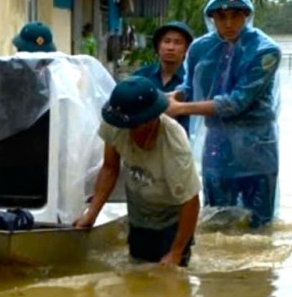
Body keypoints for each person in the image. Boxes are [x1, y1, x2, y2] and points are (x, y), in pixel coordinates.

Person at [166, 0, 281, 228]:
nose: (229, 24)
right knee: (216, 220)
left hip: (256, 147)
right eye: (221, 16)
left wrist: (181, 109)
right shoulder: (200, 48)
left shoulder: (266, 50)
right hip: (218, 145)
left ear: (246, 15)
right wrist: (170, 98)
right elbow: (190, 86)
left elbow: (236, 102)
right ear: (212, 17)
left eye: (235, 16)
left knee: (260, 225)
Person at [74, 77, 200, 267]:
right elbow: (110, 167)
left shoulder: (174, 145)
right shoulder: (115, 122)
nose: (127, 131)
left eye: (133, 126)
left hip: (171, 221)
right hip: (139, 216)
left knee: (172, 282)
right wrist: (91, 214)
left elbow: (191, 201)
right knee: (137, 275)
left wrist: (176, 252)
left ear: (150, 120)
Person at [134, 21, 195, 134]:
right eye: (166, 41)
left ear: (187, 49)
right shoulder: (140, 77)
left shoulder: (192, 82)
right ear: (158, 46)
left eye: (178, 42)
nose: (171, 47)